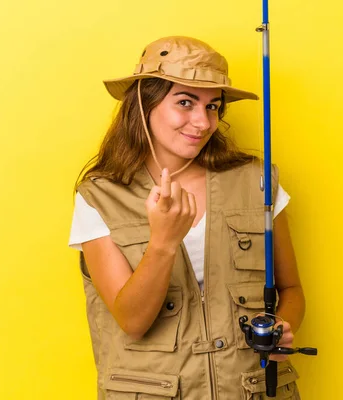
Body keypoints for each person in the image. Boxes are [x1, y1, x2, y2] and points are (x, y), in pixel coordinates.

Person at [69, 36, 306, 399]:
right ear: (144, 105)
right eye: (185, 102)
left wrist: (284, 326)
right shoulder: (100, 196)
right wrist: (163, 242)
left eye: (213, 107)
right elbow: (132, 321)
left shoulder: (256, 182)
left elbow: (291, 289)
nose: (202, 122)